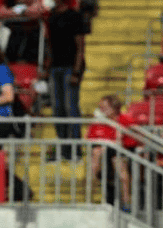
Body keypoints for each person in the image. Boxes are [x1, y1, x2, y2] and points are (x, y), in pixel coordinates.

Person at [42, 0, 85, 161]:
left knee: (70, 107)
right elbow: (50, 45)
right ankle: (63, 147)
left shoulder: (75, 16)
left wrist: (76, 71)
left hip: (70, 66)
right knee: (57, 109)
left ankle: (76, 149)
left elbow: (80, 46)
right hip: (56, 67)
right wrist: (47, 68)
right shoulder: (51, 17)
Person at [87, 94, 135, 207]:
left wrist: (118, 141)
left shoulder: (125, 120)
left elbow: (132, 142)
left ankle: (126, 201)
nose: (101, 110)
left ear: (114, 108)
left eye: (104, 107)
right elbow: (91, 140)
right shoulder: (98, 122)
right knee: (97, 153)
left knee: (117, 161)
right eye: (100, 107)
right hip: (103, 156)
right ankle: (91, 199)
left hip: (121, 152)